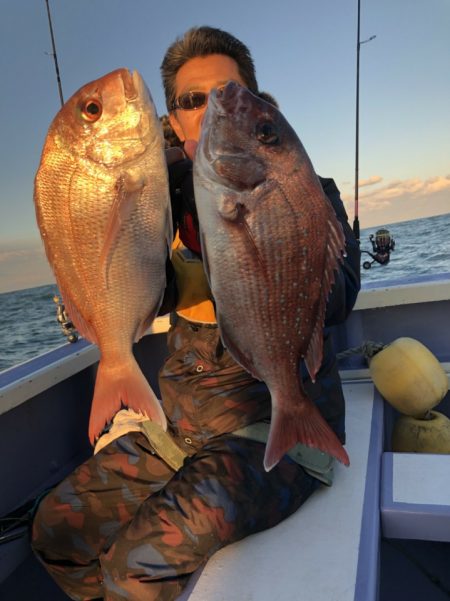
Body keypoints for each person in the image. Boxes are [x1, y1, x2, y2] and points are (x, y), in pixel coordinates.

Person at [31, 26, 361, 601]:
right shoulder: (157, 196)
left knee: (132, 570)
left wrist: (264, 254)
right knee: (54, 530)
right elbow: (137, 290)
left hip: (271, 431)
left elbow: (342, 296)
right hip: (181, 429)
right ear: (175, 122)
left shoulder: (297, 188)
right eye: (189, 100)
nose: (207, 109)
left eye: (225, 92)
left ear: (256, 103)